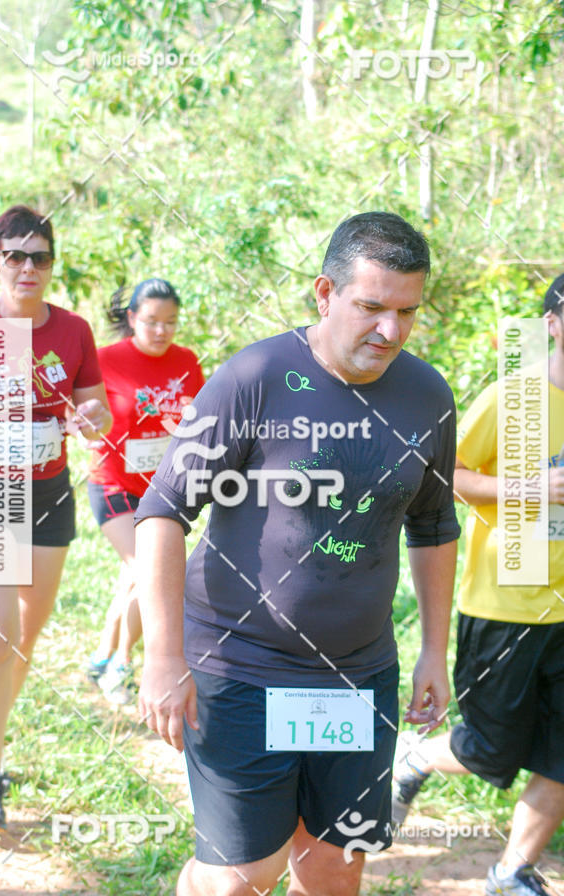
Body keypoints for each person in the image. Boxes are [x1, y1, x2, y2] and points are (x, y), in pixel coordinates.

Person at [135, 211, 461, 896]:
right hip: (243, 665)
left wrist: (434, 650)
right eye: (372, 307)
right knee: (239, 876)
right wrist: (162, 656)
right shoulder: (255, 376)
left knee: (335, 865)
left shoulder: (426, 394)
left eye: (407, 312)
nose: (390, 331)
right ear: (325, 293)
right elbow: (163, 514)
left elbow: (432, 526)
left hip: (356, 675)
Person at [392, 276, 564, 896]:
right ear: (552, 322)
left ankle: (511, 872)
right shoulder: (513, 398)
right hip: (505, 603)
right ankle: (414, 757)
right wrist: (531, 490)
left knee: (562, 759)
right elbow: (449, 476)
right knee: (490, 750)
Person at [0, 205, 111, 830]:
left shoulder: (73, 330)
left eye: (41, 257)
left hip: (48, 492)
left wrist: (90, 419)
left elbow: (94, 402)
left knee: (24, 636)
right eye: (16, 256)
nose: (29, 267)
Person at [85, 278, 204, 705]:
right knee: (149, 573)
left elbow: (195, 419)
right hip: (113, 484)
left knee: (132, 579)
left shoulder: (187, 360)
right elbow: (80, 413)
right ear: (132, 318)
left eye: (170, 322)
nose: (161, 331)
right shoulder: (103, 360)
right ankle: (121, 664)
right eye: (152, 321)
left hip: (162, 491)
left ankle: (102, 656)